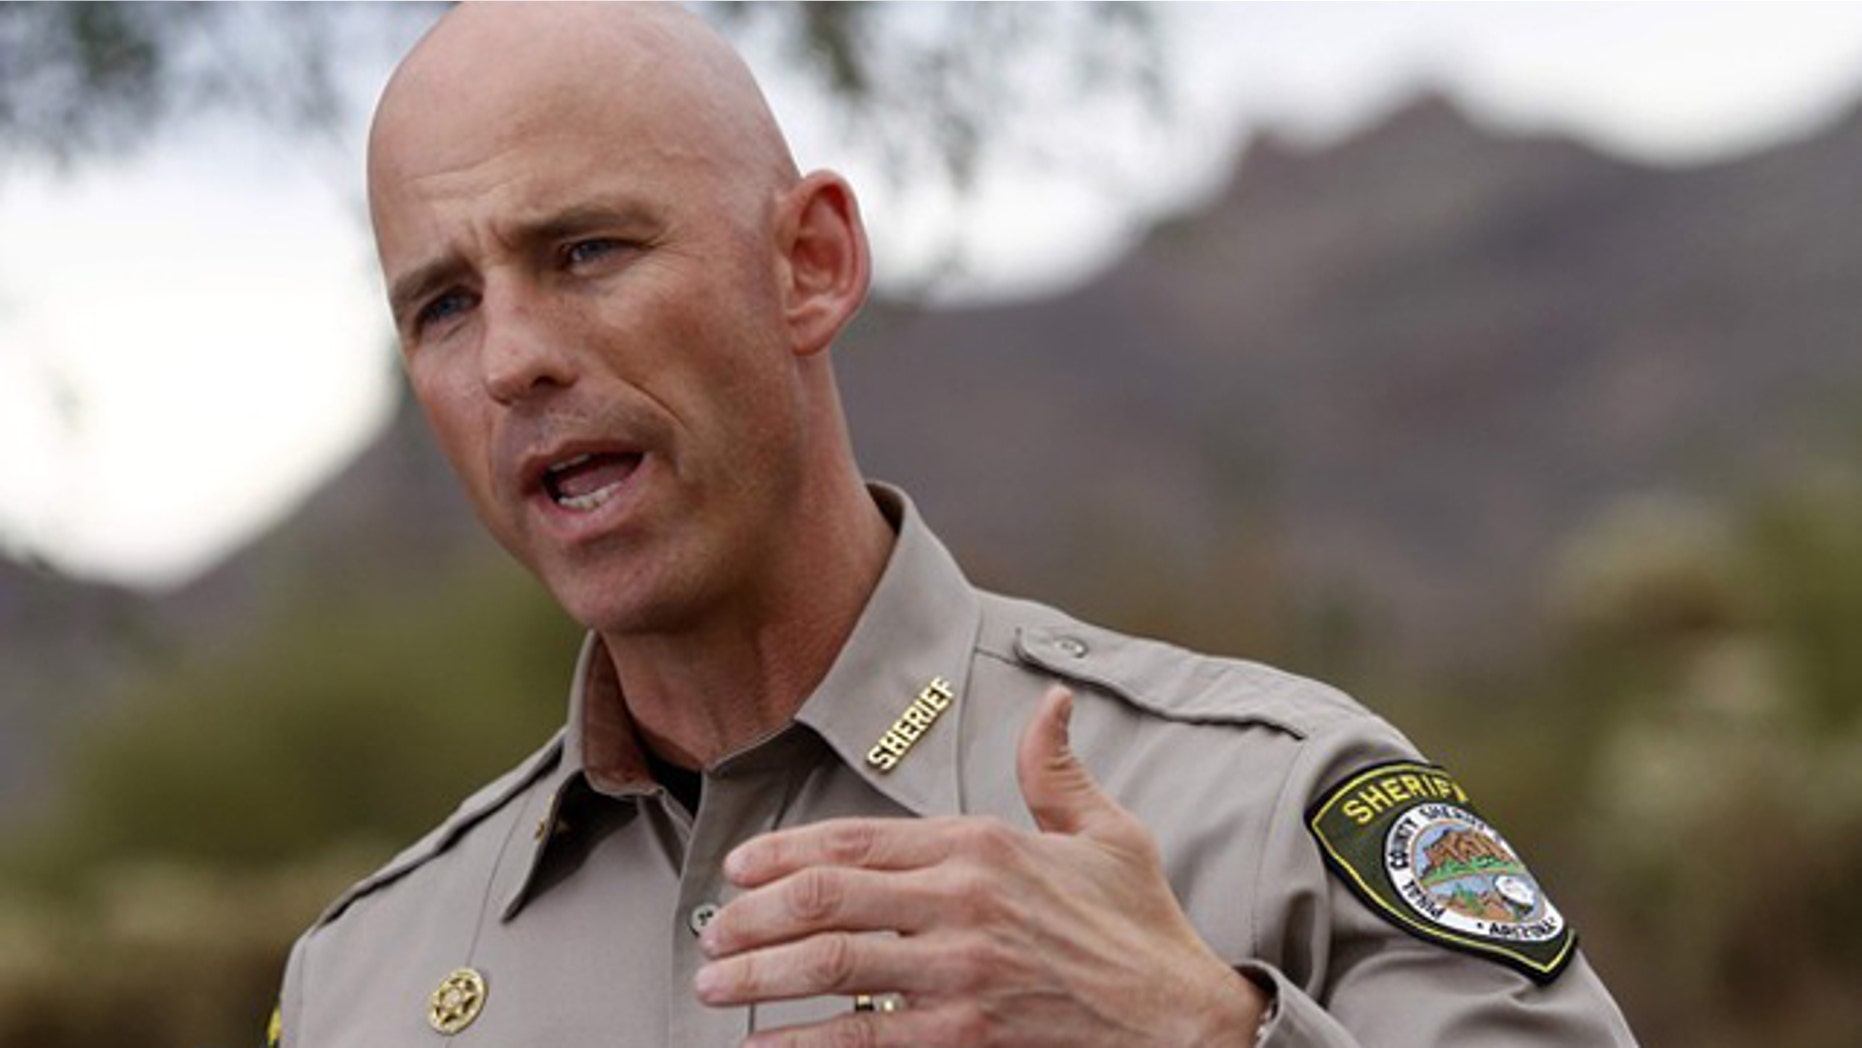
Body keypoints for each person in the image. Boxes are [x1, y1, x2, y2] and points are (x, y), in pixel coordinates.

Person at [270, 4, 1637, 1045]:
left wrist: (1207, 1030)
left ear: (808, 264)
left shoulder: (1260, 806)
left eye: (585, 253)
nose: (511, 359)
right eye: (442, 304)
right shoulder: (362, 979)